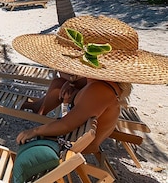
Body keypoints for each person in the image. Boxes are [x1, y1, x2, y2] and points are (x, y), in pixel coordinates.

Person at [11, 15, 168, 154]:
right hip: (75, 132)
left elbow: (66, 124)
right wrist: (72, 84)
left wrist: (34, 131)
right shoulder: (99, 83)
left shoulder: (99, 90)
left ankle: (39, 109)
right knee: (60, 82)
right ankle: (40, 107)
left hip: (76, 144)